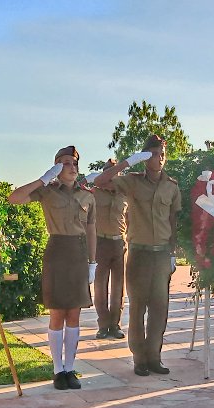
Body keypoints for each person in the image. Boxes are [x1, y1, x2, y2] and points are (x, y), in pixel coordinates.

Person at [92, 135, 181, 376]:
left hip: (161, 254)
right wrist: (126, 163)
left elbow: (173, 221)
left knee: (159, 308)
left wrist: (173, 253)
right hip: (139, 253)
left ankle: (155, 357)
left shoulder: (171, 186)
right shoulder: (131, 182)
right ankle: (139, 359)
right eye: (154, 154)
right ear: (144, 158)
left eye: (163, 153)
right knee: (138, 307)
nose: (160, 158)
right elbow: (100, 181)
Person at [10, 146, 97, 390]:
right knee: (57, 312)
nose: (71, 167)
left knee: (75, 314)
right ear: (57, 168)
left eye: (73, 163)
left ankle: (70, 368)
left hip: (79, 254)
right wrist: (43, 178)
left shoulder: (87, 195)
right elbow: (14, 198)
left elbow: (91, 230)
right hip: (57, 251)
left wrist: (93, 262)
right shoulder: (47, 192)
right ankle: (57, 370)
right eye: (64, 163)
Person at [91, 159, 127, 340]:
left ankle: (115, 324)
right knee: (100, 287)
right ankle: (103, 325)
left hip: (120, 244)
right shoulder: (94, 194)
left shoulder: (124, 194)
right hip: (101, 243)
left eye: (116, 174)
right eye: (110, 174)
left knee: (119, 287)